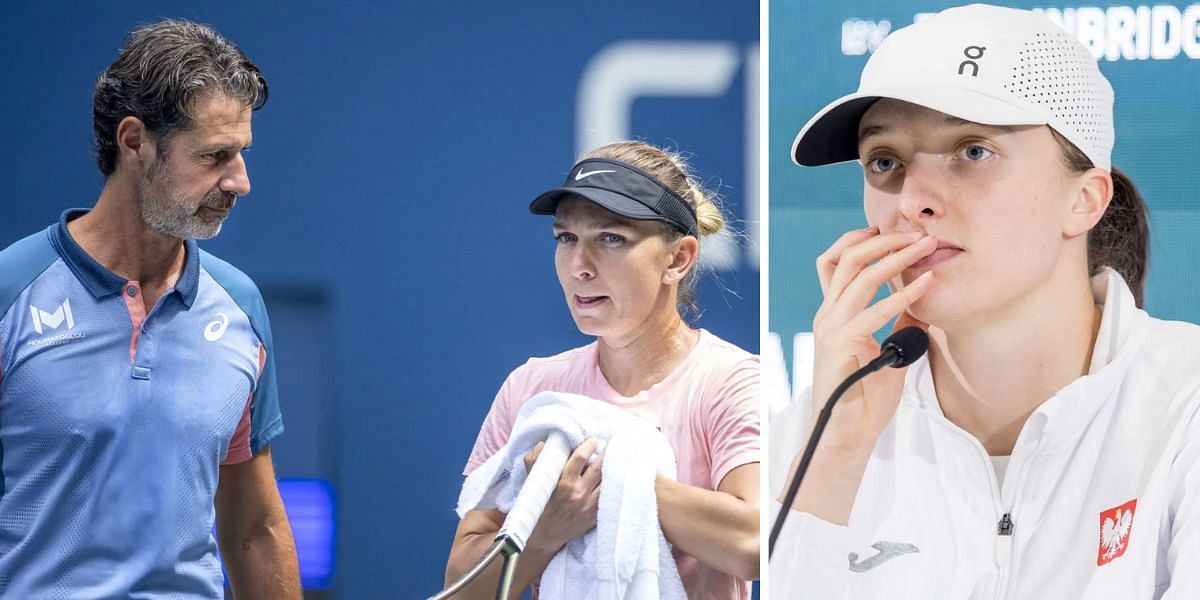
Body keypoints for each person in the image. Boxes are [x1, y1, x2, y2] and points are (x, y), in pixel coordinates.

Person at [770, 4, 1199, 598]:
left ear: (1084, 199)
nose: (912, 200)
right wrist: (834, 459)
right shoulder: (808, 436)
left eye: (972, 151)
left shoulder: (1186, 402)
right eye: (885, 162)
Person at [0, 20, 300, 598]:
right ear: (134, 141)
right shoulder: (11, 293)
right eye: (215, 156)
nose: (240, 181)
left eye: (241, 154)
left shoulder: (240, 308)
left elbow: (255, 530)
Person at [444, 141, 760, 599]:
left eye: (611, 239)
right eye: (565, 238)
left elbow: (752, 542)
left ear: (678, 258)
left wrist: (610, 478)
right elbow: (459, 590)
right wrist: (547, 527)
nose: (579, 266)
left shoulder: (730, 380)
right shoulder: (532, 388)